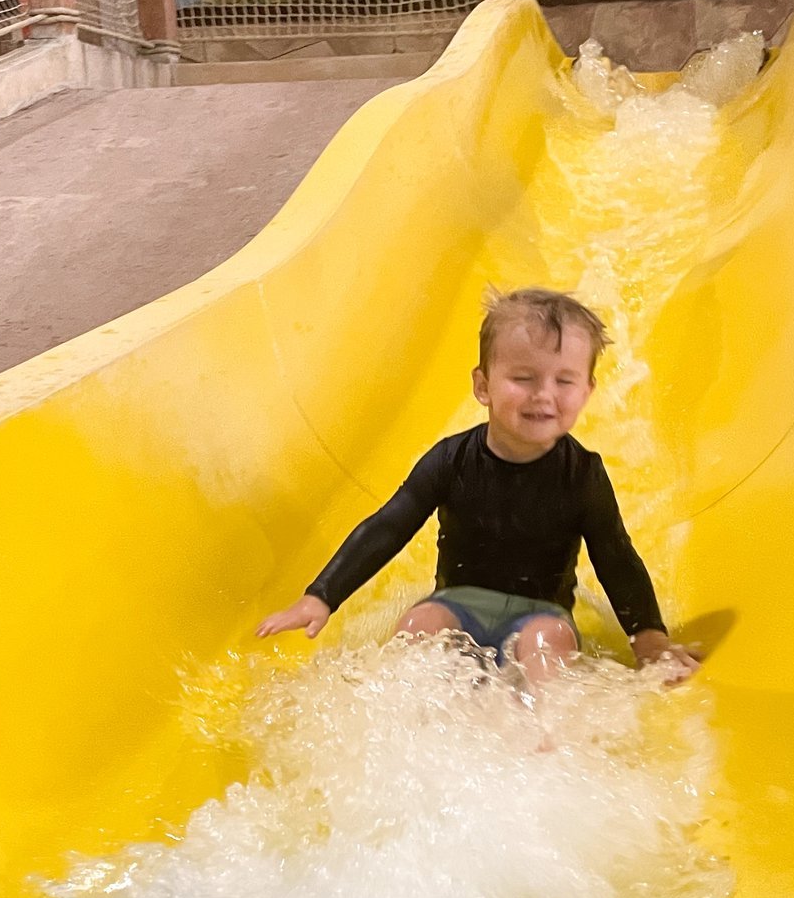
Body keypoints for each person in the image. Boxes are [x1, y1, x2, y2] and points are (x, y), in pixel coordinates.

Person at [257, 287, 700, 686]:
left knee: (547, 644)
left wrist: (648, 637)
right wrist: (322, 596)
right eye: (523, 378)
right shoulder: (450, 460)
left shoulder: (582, 475)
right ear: (483, 386)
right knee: (419, 626)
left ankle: (546, 739)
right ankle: (414, 721)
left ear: (587, 391)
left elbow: (615, 555)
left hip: (541, 615)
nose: (544, 394)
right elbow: (390, 525)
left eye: (563, 381)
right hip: (457, 604)